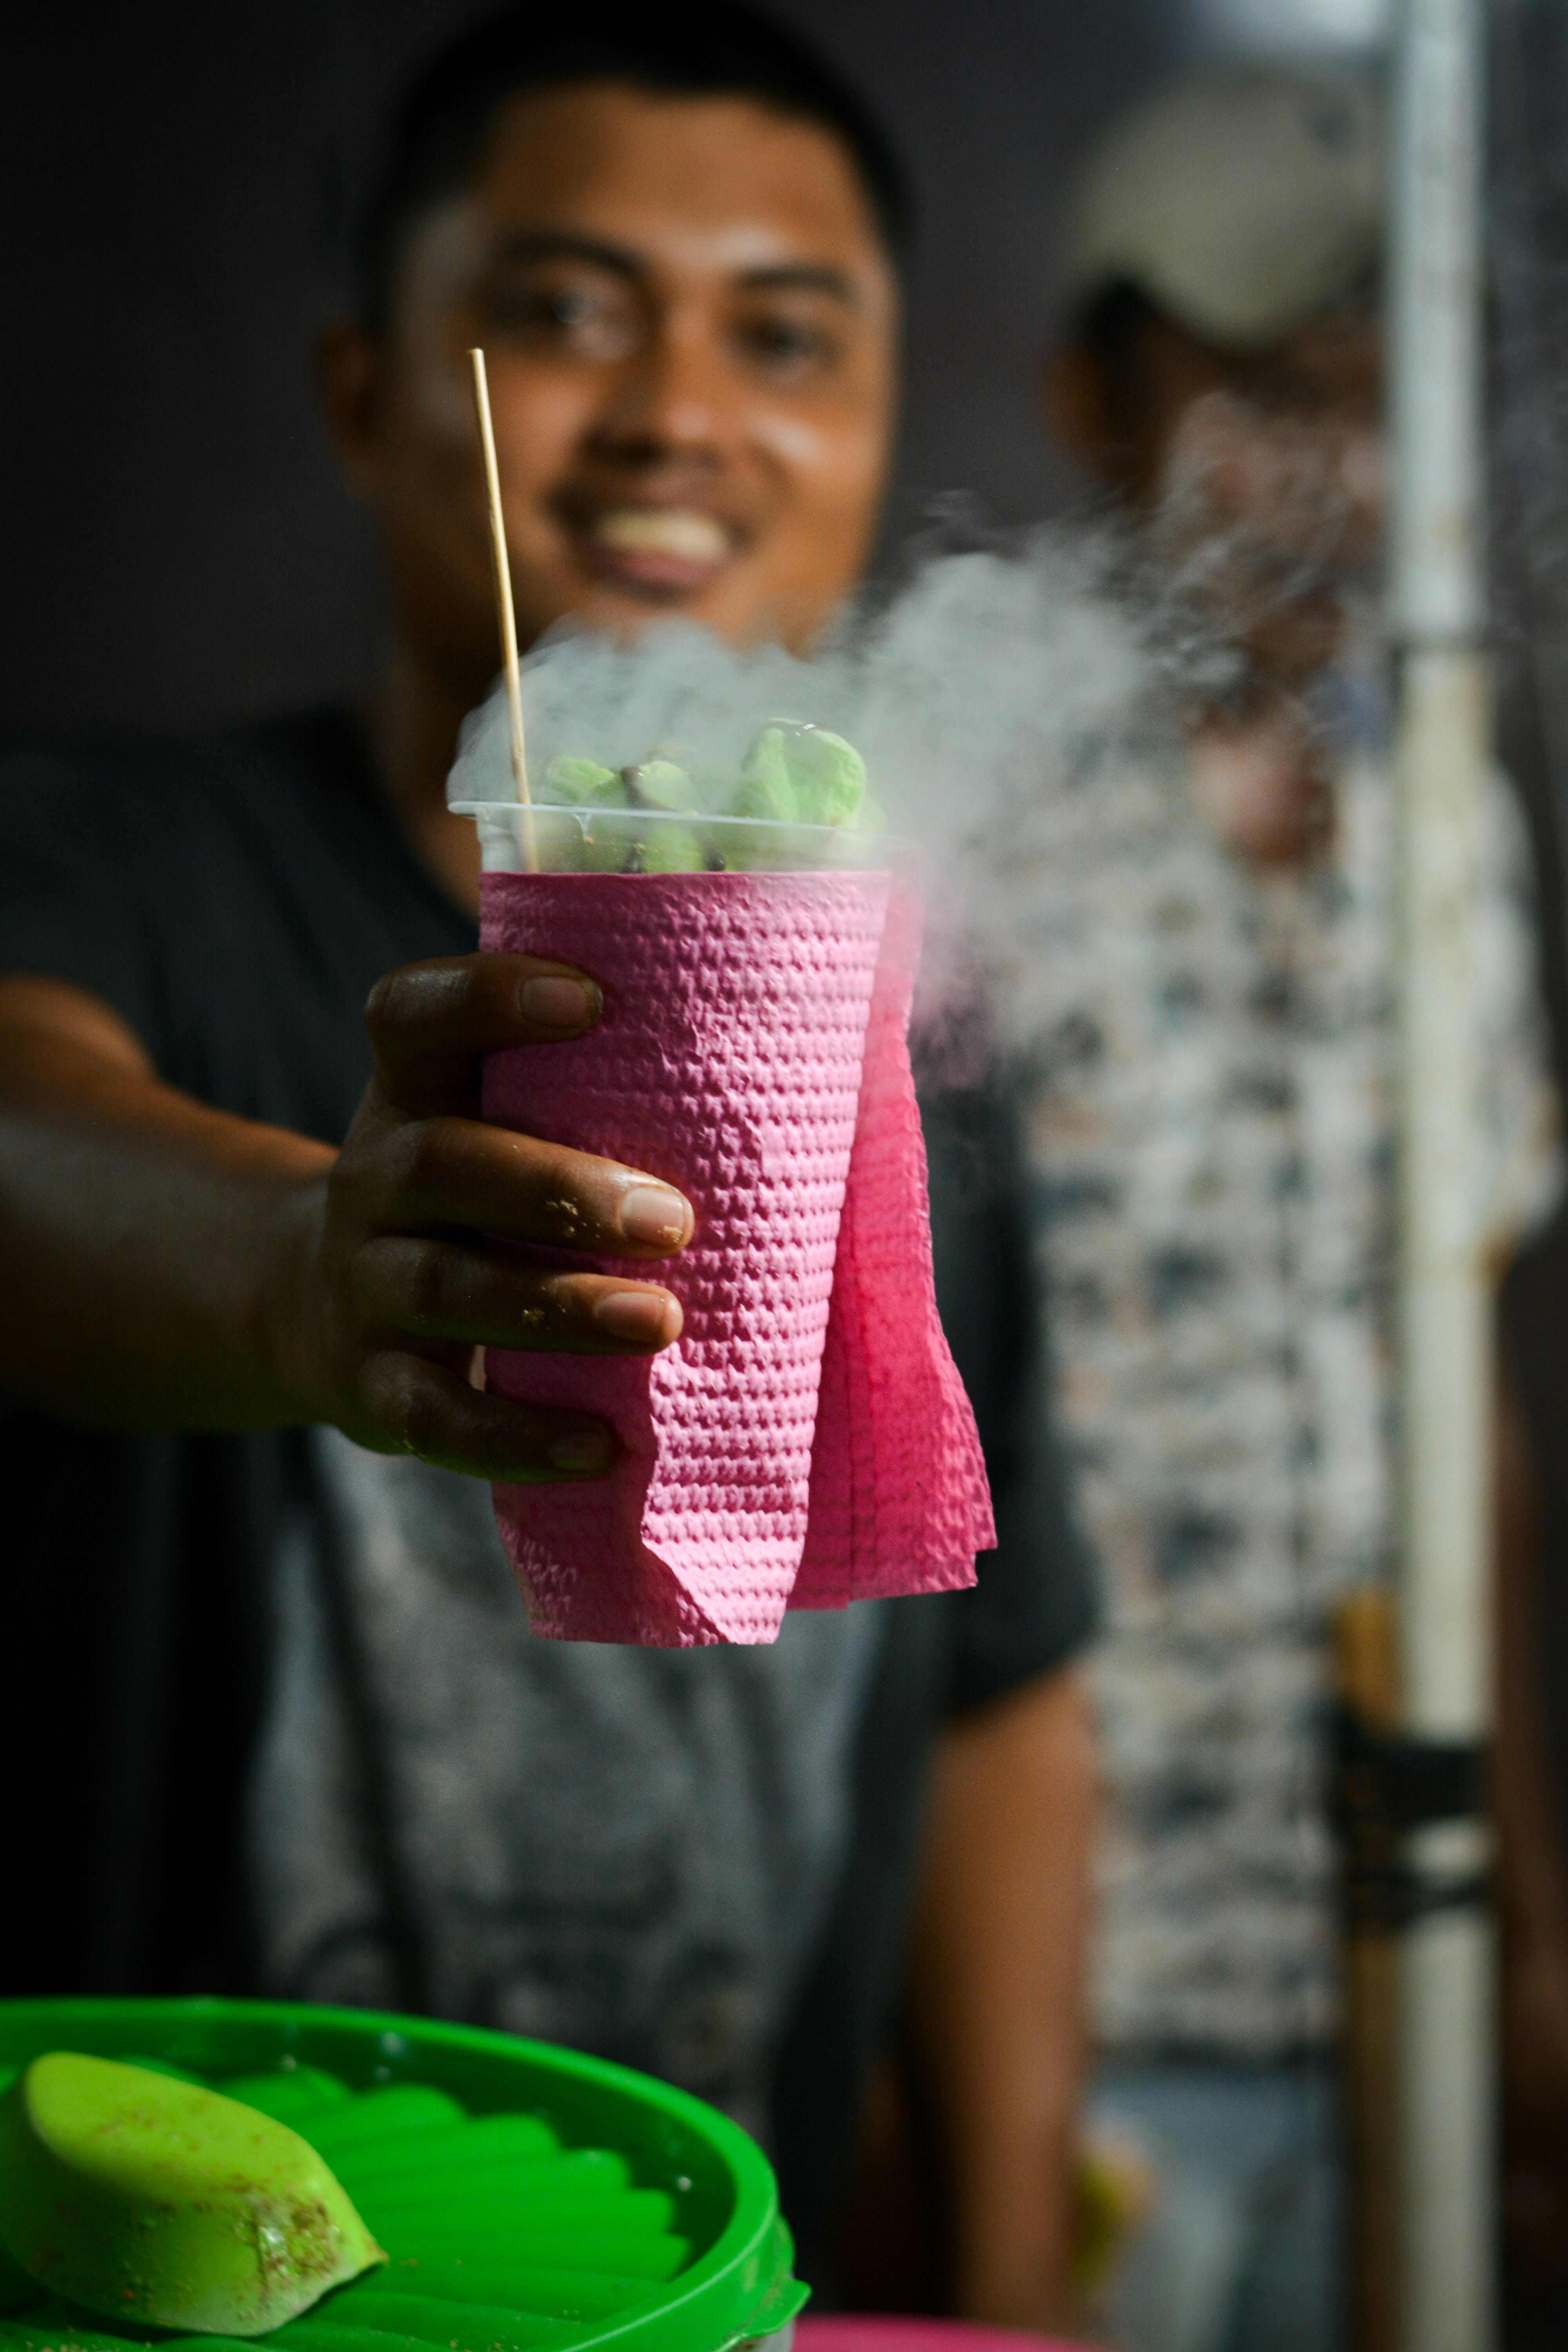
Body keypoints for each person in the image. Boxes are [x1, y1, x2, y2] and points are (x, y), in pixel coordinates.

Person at [0, 3, 1097, 2330]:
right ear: (364, 389)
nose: (682, 412)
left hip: (702, 2290)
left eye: (783, 338)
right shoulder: (116, 857)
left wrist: (1016, 2299)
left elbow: (996, 1695)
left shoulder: (891, 1042)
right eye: (567, 311)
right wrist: (304, 1273)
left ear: (879, 421)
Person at [1000, 67, 1568, 2352]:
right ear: (1089, 399)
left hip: (1370, 1965)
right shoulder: (959, 829)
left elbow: (1470, 1422)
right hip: (1057, 1995)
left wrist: (1531, 1933)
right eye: (1259, 388)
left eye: (1374, 398)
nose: (1330, 472)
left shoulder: (1452, 827)